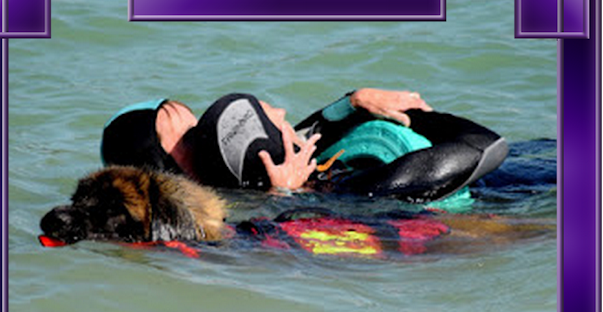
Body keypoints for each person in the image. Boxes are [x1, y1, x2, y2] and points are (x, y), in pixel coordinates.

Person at [101, 88, 508, 203]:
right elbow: (487, 147)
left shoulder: (254, 175)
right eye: (194, 138)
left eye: (204, 121)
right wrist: (288, 197)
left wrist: (353, 102)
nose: (211, 134)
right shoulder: (226, 229)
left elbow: (287, 140)